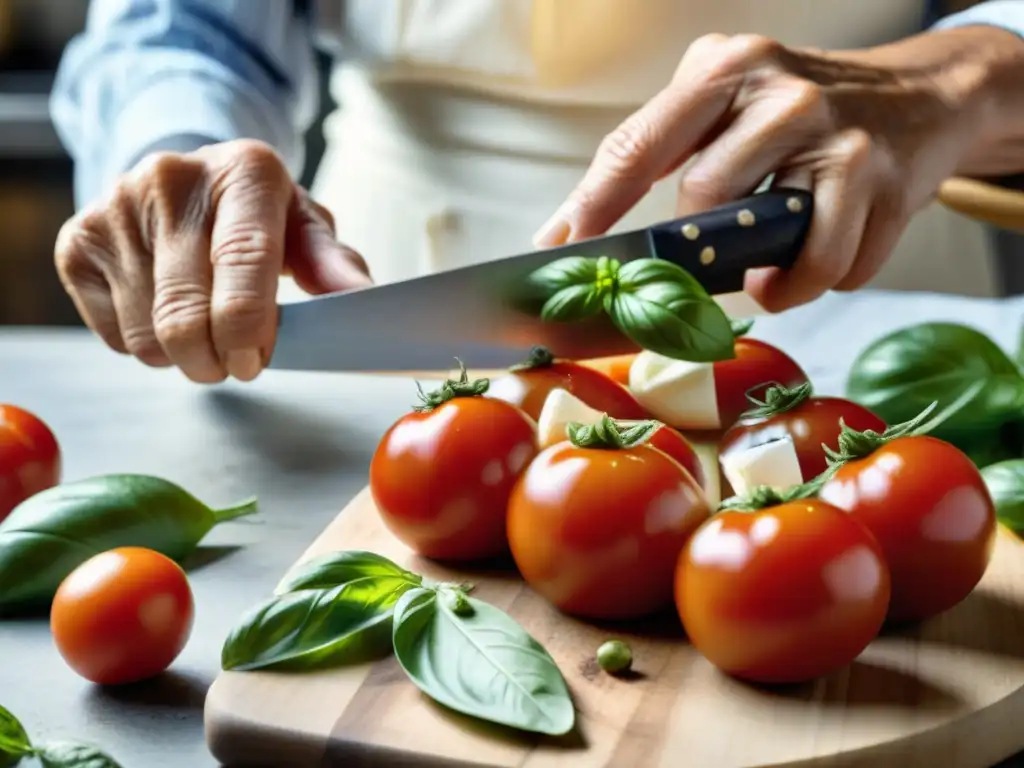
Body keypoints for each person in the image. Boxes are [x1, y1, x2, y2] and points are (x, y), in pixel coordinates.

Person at [49, 0, 1024, 384]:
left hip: (854, 292)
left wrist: (950, 81)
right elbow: (180, 28)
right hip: (371, 333)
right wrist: (177, 160)